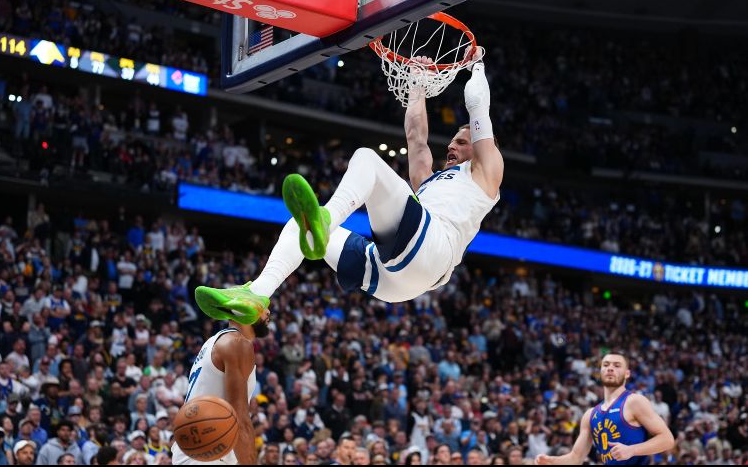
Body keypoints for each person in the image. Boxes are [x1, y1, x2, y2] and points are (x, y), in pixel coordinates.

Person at [194, 49, 503, 321]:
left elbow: (478, 109)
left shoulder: (485, 173)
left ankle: (326, 220)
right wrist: (418, 86)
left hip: (435, 248)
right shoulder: (432, 182)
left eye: (461, 142)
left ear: (478, 146)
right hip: (397, 280)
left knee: (367, 159)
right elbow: (416, 139)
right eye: (452, 141)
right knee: (298, 223)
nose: (451, 146)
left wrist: (477, 68)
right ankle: (258, 294)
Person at [170, 307, 272, 465]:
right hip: (208, 450)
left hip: (197, 448)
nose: (268, 311)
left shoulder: (213, 341)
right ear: (244, 310)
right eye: (262, 306)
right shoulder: (236, 343)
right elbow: (240, 418)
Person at [535, 352, 674, 465]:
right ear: (600, 371)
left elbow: (667, 439)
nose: (610, 368)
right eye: (606, 365)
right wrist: (552, 460)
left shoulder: (634, 401)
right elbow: (576, 458)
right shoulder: (590, 415)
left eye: (617, 365)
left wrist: (632, 450)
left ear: (627, 374)